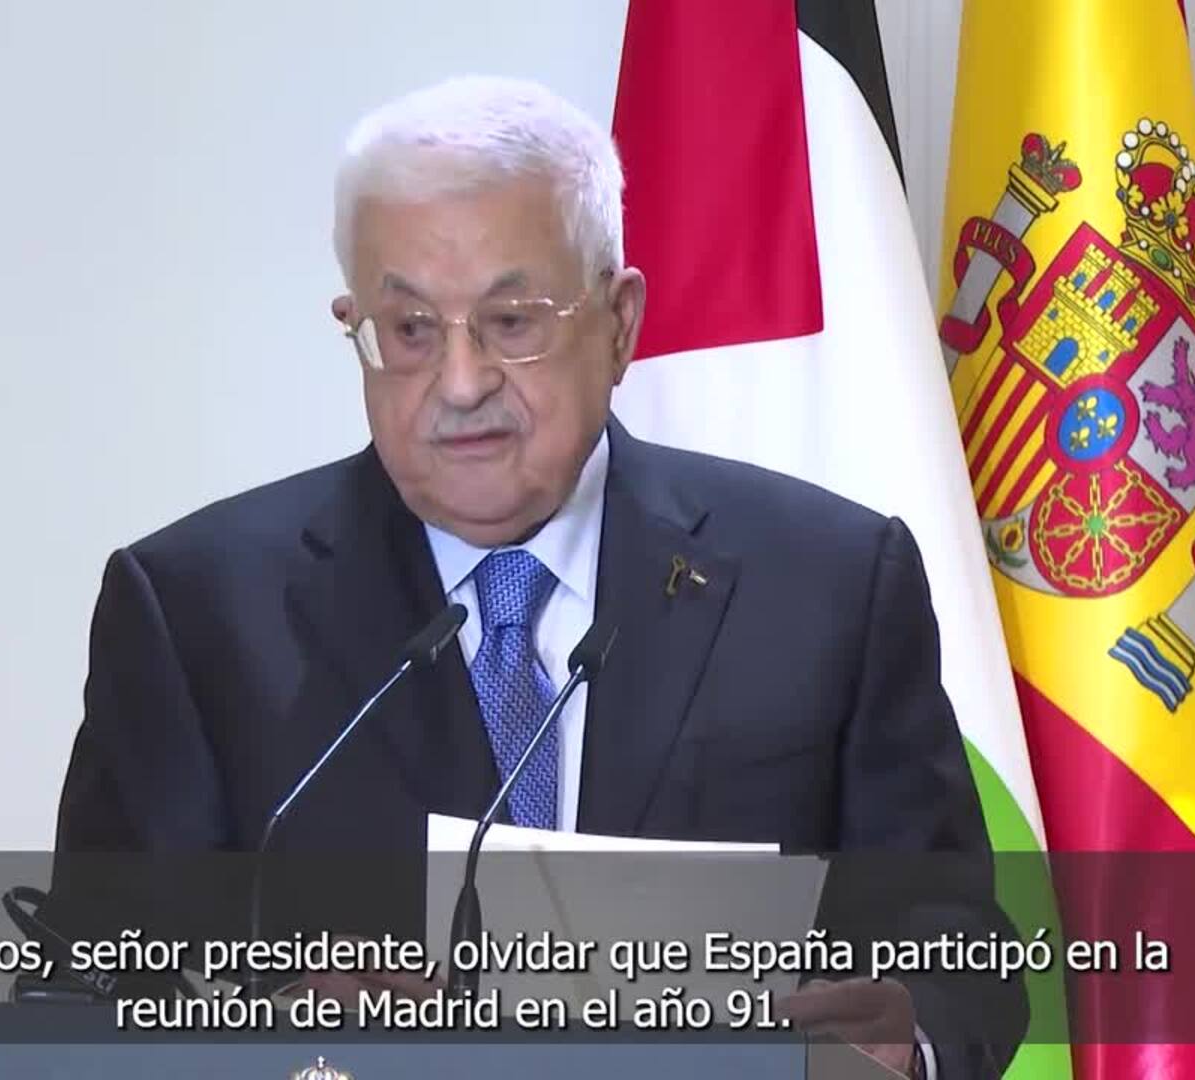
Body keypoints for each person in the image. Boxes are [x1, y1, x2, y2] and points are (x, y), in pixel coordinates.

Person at [55, 76, 1025, 1077]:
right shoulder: (198, 614)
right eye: (411, 330)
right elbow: (86, 995)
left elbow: (957, 948)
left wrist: (905, 1042)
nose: (462, 382)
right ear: (356, 327)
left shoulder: (826, 582)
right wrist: (265, 1046)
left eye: (512, 321)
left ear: (621, 322)